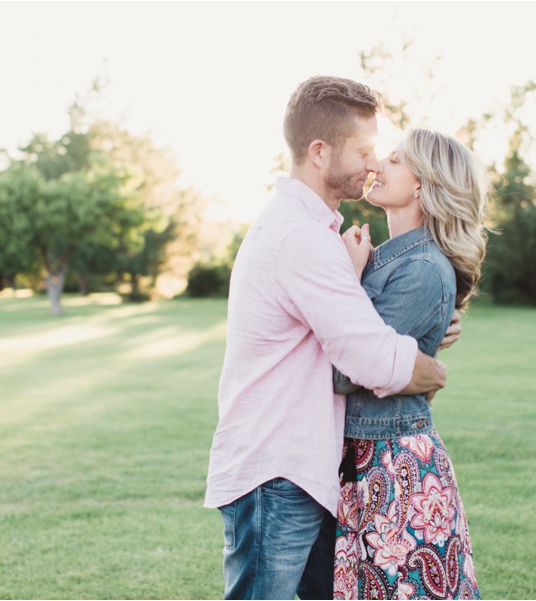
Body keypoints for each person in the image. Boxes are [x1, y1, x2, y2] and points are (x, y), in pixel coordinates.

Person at [203, 76, 460, 600]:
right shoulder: (301, 238)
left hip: (300, 471)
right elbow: (367, 356)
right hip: (276, 475)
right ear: (319, 153)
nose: (373, 164)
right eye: (365, 151)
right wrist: (429, 366)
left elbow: (345, 329)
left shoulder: (310, 232)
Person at [332, 128, 488, 599]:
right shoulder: (386, 258)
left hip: (394, 466)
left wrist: (349, 276)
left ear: (422, 183)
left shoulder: (420, 269)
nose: (377, 164)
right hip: (366, 457)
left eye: (395, 160)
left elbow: (347, 371)